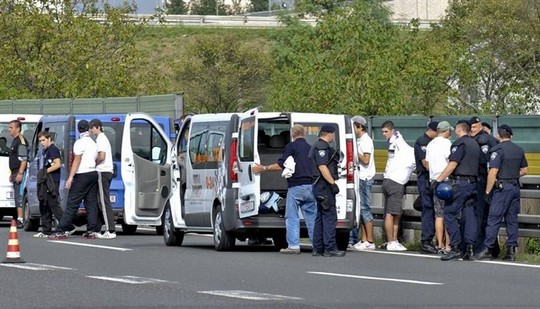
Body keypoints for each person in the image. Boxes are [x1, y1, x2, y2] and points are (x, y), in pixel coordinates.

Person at [253, 125, 316, 254]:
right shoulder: (311, 147)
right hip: (311, 186)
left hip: (296, 186)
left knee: (292, 217)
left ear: (293, 135)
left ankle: (293, 246)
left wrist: (264, 168)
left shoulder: (291, 147)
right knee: (311, 217)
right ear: (303, 134)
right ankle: (317, 244)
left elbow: (280, 165)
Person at [474, 124, 528, 261]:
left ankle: (487, 248)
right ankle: (511, 250)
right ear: (511, 135)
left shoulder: (497, 150)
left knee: (494, 218)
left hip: (502, 188)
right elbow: (524, 170)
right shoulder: (518, 150)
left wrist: (487, 191)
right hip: (515, 187)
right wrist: (512, 175)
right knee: (512, 220)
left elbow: (492, 172)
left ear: (498, 135)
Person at [432, 120, 480, 261]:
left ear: (459, 130)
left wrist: (438, 180)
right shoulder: (475, 144)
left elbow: (452, 164)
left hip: (460, 183)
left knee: (449, 212)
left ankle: (456, 247)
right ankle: (470, 249)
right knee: (469, 214)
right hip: (472, 184)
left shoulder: (459, 144)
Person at [49, 120, 99, 240]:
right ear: (88, 129)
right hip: (93, 173)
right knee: (91, 203)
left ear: (78, 129)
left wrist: (70, 177)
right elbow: (97, 157)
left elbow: (77, 161)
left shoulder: (79, 143)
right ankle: (92, 229)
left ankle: (62, 229)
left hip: (82, 174)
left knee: (72, 203)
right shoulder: (93, 143)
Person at [309, 124, 345, 257]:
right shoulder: (322, 147)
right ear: (329, 134)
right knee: (330, 216)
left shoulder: (316, 145)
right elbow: (323, 167)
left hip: (318, 186)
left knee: (319, 217)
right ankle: (329, 248)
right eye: (333, 134)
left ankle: (317, 248)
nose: (333, 137)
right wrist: (332, 183)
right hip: (324, 186)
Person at [380, 121, 415, 251]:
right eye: (383, 132)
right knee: (391, 213)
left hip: (389, 180)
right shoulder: (398, 144)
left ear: (392, 131)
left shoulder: (397, 144)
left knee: (395, 213)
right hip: (395, 182)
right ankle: (391, 241)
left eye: (386, 132)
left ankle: (394, 240)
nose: (384, 135)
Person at [469, 116, 499, 256]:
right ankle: (492, 247)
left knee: (480, 214)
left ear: (480, 126)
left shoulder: (481, 140)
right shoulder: (491, 140)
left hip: (481, 180)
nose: (472, 130)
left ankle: (481, 246)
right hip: (487, 181)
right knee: (487, 215)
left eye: (474, 127)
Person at [425, 121, 453, 253]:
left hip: (434, 180)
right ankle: (448, 244)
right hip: (446, 180)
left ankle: (439, 244)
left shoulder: (431, 144)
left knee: (438, 215)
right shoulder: (447, 144)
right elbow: (451, 162)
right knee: (449, 213)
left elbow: (428, 164)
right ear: (447, 131)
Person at [349, 116, 376, 251]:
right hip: (360, 177)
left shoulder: (366, 141)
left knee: (365, 208)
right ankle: (364, 239)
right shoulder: (360, 140)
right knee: (360, 209)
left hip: (365, 178)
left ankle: (370, 240)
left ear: (359, 126)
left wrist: (354, 151)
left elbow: (366, 160)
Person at [414, 120, 439, 254]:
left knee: (434, 210)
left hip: (432, 178)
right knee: (428, 208)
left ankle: (432, 239)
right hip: (425, 178)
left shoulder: (432, 143)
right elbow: (426, 164)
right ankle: (426, 241)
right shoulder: (423, 141)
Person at [89, 119, 117, 239]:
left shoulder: (100, 139)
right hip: (107, 171)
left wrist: (93, 163)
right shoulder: (104, 138)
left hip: (102, 171)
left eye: (92, 128)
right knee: (101, 200)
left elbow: (102, 156)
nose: (91, 130)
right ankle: (98, 227)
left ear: (97, 127)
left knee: (104, 201)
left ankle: (110, 229)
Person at [33, 131, 64, 238]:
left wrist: (45, 172)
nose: (42, 143)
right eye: (40, 141)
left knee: (53, 204)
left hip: (52, 181)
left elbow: (57, 164)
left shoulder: (53, 149)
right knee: (44, 204)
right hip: (45, 181)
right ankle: (46, 230)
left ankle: (67, 226)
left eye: (43, 140)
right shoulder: (44, 151)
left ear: (49, 138)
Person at [8, 120, 28, 228]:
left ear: (18, 128)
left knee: (19, 195)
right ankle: (19, 217)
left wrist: (20, 173)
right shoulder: (14, 140)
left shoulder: (21, 141)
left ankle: (20, 219)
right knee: (16, 196)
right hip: (15, 172)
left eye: (11, 127)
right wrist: (12, 173)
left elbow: (23, 159)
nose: (9, 130)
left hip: (20, 172)